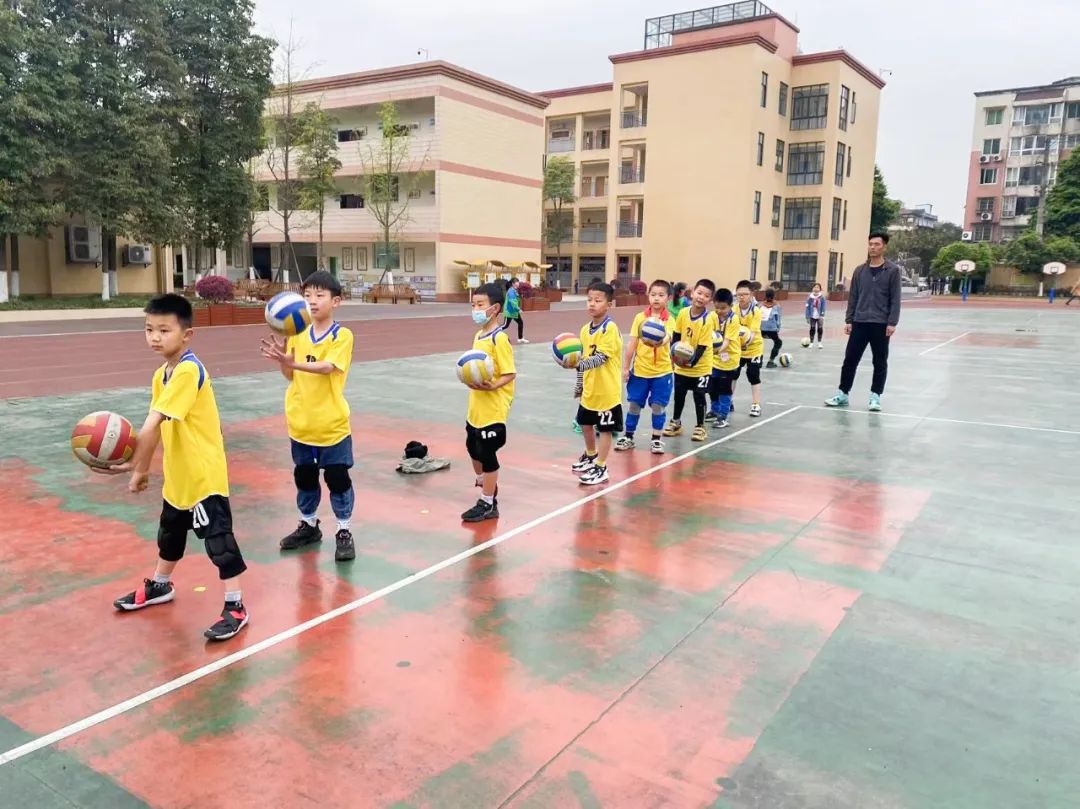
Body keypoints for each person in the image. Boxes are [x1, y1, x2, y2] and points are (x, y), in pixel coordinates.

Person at [105, 294, 249, 641]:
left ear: (187, 335)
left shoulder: (188, 370)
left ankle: (236, 606)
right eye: (149, 329)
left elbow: (152, 422)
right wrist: (142, 469)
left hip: (203, 476)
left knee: (219, 543)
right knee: (169, 535)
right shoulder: (162, 375)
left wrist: (133, 462)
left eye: (164, 330)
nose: (155, 337)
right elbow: (156, 426)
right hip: (178, 475)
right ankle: (161, 585)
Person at [261, 270, 356, 561]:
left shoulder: (342, 336)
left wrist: (295, 364)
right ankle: (309, 525)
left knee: (337, 479)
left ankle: (343, 529)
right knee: (304, 477)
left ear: (335, 301)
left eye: (319, 295)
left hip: (331, 424)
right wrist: (284, 362)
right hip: (300, 423)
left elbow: (328, 367)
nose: (312, 301)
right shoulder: (296, 333)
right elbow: (291, 375)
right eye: (307, 295)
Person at [825, 232, 902, 412]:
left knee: (880, 361)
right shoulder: (860, 270)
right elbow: (853, 296)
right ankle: (843, 394)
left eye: (877, 244)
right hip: (859, 322)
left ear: (884, 247)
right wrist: (849, 319)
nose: (873, 247)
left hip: (881, 323)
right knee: (850, 360)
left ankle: (875, 396)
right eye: (870, 244)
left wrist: (892, 322)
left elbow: (895, 299)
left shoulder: (892, 271)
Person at [459, 282, 516, 522]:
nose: (476, 309)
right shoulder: (478, 335)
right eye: (473, 305)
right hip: (476, 407)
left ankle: (487, 502)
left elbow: (510, 373)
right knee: (472, 448)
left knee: (487, 453)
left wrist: (493, 385)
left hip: (493, 408)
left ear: (495, 308)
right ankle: (487, 485)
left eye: (480, 305)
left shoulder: (499, 339)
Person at [569, 282, 623, 485]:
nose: (592, 304)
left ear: (609, 304)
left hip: (607, 390)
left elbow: (601, 358)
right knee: (584, 423)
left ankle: (601, 466)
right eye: (589, 300)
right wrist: (579, 384)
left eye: (598, 300)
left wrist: (577, 363)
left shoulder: (610, 328)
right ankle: (591, 455)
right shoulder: (585, 330)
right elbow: (583, 360)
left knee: (605, 429)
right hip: (590, 389)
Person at [616, 279, 674, 455]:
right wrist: (626, 368)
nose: (656, 298)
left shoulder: (670, 319)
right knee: (634, 404)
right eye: (653, 294)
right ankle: (628, 436)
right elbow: (632, 344)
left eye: (661, 295)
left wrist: (657, 341)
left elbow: (668, 338)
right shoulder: (640, 318)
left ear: (668, 298)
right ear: (648, 296)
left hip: (662, 372)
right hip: (640, 371)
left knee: (658, 406)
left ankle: (656, 439)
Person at [665, 278, 718, 442]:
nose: (701, 297)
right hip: (681, 364)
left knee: (699, 396)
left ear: (710, 299)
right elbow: (676, 336)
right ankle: (676, 422)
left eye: (706, 296)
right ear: (692, 293)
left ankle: (700, 427)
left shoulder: (708, 319)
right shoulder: (683, 313)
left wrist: (690, 363)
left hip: (701, 366)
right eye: (699, 293)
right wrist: (674, 357)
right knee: (679, 394)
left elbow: (702, 347)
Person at [708, 287, 741, 428]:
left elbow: (727, 341)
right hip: (714, 360)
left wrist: (714, 351)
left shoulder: (734, 319)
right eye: (717, 307)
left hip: (729, 360)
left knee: (724, 389)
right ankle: (714, 410)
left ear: (730, 306)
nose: (719, 311)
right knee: (712, 387)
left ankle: (723, 416)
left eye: (723, 308)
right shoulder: (711, 316)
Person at [734, 279, 764, 417]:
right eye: (739, 294)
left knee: (753, 375)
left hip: (754, 348)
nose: (742, 297)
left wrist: (745, 342)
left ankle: (756, 404)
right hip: (737, 349)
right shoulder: (734, 310)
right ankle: (728, 401)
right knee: (733, 375)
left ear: (751, 295)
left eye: (745, 294)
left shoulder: (756, 311)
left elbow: (752, 332)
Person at [761, 288, 784, 367]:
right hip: (771, 329)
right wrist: (777, 328)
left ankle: (758, 360)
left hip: (760, 329)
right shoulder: (777, 306)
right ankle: (770, 361)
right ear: (774, 296)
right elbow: (778, 319)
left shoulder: (761, 305)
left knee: (757, 343)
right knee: (778, 342)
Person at [503, 278, 528, 343]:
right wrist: (518, 309)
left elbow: (516, 300)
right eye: (517, 282)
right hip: (509, 311)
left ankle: (520, 338)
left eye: (518, 282)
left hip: (514, 312)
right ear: (513, 284)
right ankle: (493, 332)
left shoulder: (514, 290)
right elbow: (512, 301)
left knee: (520, 322)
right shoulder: (511, 291)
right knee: (505, 325)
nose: (518, 283)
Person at [805, 283, 826, 348]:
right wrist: (807, 317)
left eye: (817, 287)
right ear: (812, 288)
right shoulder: (810, 298)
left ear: (820, 289)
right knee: (812, 328)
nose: (816, 288)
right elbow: (807, 307)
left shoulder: (822, 297)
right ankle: (811, 343)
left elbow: (823, 307)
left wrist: (822, 315)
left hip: (819, 316)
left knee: (820, 328)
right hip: (812, 315)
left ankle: (819, 343)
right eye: (814, 287)